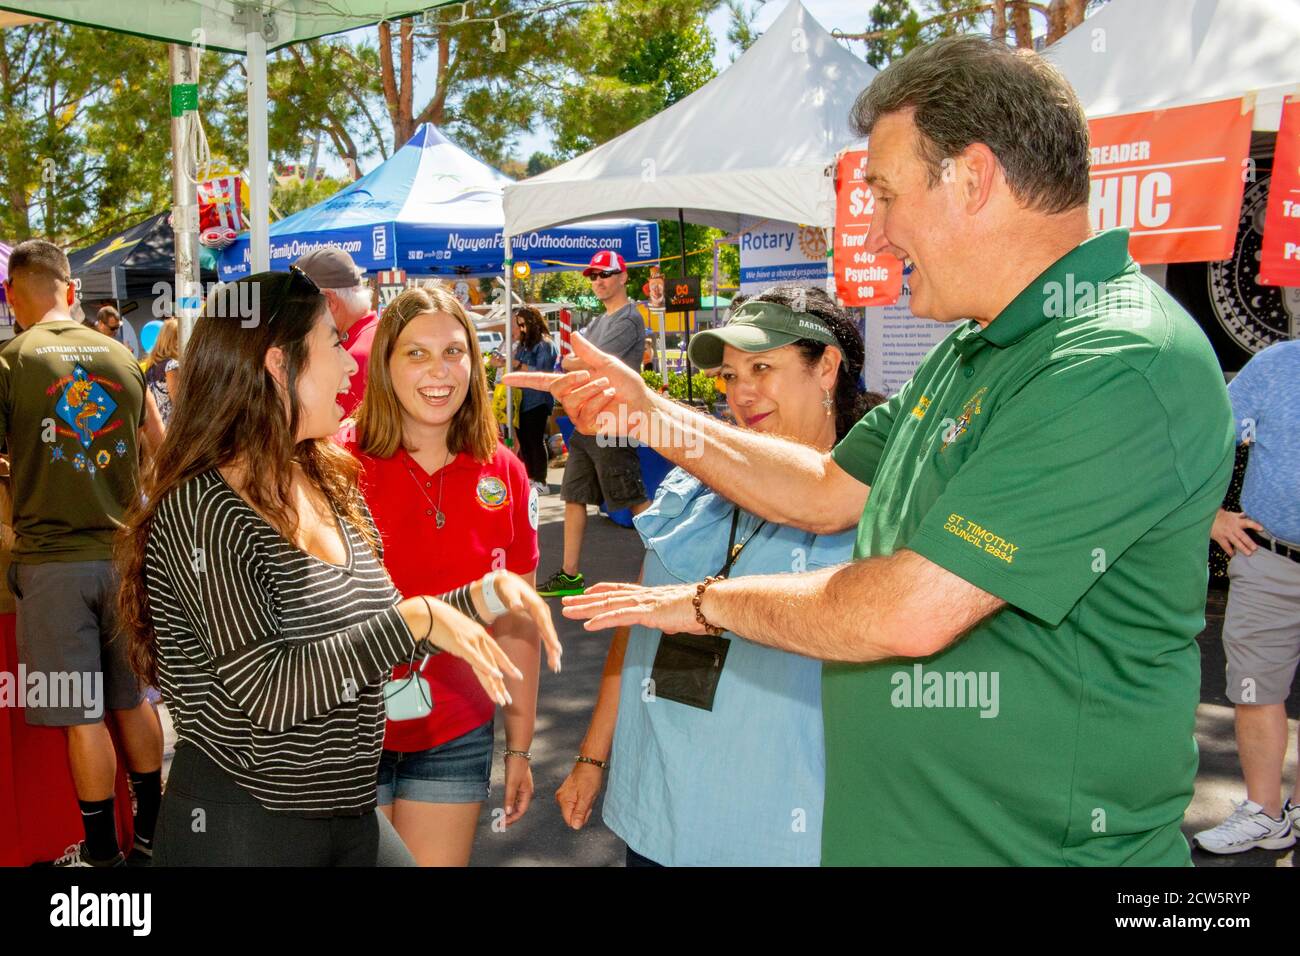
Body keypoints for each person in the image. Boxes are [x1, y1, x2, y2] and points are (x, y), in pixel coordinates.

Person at [508, 36, 1236, 866]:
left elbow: (912, 609)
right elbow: (823, 487)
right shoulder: (975, 350)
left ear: (974, 177)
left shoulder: (1115, 359)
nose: (880, 231)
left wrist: (709, 603)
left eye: (886, 194)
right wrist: (647, 416)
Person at [115, 268, 559, 866]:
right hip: (248, 824)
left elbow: (373, 626)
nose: (352, 365)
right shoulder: (203, 507)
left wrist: (475, 599)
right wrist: (421, 618)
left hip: (347, 815)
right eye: (332, 343)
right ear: (279, 364)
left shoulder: (324, 475)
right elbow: (269, 692)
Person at [555, 287, 883, 865]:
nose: (742, 392)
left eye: (762, 367)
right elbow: (636, 618)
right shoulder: (693, 483)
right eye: (730, 376)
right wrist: (592, 756)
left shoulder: (874, 510)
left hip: (775, 826)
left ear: (827, 367)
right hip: (657, 808)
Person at [347, 286, 559, 866]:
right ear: (385, 363)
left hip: (455, 730)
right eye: (416, 353)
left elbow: (519, 623)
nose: (439, 371)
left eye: (453, 351)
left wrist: (520, 748)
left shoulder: (507, 473)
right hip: (344, 733)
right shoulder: (335, 463)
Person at [0, 240, 166, 867]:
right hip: (123, 560)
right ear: (70, 289)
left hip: (49, 566)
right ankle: (151, 838)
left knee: (81, 716)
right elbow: (164, 448)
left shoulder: (12, 359)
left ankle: (101, 857)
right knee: (133, 700)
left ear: (15, 293)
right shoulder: (121, 356)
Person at [1193, 339, 1300, 854]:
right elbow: (1207, 439)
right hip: (1272, 562)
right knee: (1255, 688)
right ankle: (1265, 812)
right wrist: (1209, 516)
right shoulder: (1277, 365)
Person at [536, 250, 651, 597]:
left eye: (605, 274)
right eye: (594, 276)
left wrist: (575, 361)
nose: (598, 281)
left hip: (613, 423)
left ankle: (674, 569)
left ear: (623, 276)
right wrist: (576, 361)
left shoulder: (630, 319)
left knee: (635, 499)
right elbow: (572, 358)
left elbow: (587, 361)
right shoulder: (600, 322)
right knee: (573, 495)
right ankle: (570, 574)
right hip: (588, 423)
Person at [295, 247, 376, 417]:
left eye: (302, 305)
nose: (298, 314)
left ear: (329, 300)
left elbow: (333, 436)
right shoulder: (376, 334)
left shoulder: (355, 356)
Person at [492, 306, 556, 495]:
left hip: (538, 399)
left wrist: (516, 363)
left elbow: (542, 371)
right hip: (520, 399)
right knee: (525, 441)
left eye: (522, 324)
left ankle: (542, 480)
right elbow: (514, 365)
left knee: (535, 440)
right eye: (518, 324)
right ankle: (530, 477)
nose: (520, 328)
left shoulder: (545, 344)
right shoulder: (523, 344)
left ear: (532, 322)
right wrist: (504, 361)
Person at [143, 317, 180, 428]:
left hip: (154, 427)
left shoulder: (150, 366)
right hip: (171, 429)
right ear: (175, 340)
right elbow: (178, 401)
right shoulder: (172, 366)